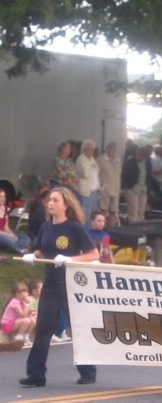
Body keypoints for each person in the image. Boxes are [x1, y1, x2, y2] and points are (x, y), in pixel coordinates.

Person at [19, 187, 99, 387]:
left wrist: (70, 259)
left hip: (70, 285)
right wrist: (33, 255)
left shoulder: (75, 227)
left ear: (66, 204)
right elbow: (40, 248)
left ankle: (88, 371)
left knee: (76, 328)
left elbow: (93, 254)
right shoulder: (46, 227)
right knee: (43, 329)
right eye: (50, 200)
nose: (50, 203)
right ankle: (36, 375)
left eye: (55, 200)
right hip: (51, 284)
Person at [121, 145, 153, 224]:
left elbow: (149, 176)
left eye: (144, 157)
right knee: (133, 212)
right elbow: (124, 175)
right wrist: (127, 186)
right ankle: (133, 231)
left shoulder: (148, 162)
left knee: (141, 212)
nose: (142, 158)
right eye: (141, 156)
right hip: (131, 189)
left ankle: (140, 229)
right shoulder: (130, 162)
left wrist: (148, 190)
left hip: (143, 189)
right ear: (137, 154)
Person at [75, 139, 101, 228]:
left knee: (93, 213)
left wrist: (91, 167)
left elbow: (97, 170)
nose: (92, 151)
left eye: (93, 149)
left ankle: (92, 232)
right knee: (85, 213)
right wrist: (91, 167)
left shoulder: (92, 159)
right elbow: (85, 174)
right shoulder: (81, 159)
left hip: (93, 190)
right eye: (90, 149)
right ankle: (84, 232)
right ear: (85, 149)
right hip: (85, 191)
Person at [97, 141, 122, 227]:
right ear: (106, 149)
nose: (112, 151)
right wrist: (100, 186)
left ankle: (112, 229)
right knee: (103, 210)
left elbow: (119, 173)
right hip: (105, 189)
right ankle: (101, 228)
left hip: (115, 189)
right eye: (110, 149)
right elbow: (96, 173)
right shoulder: (101, 159)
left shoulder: (118, 160)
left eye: (114, 149)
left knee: (113, 211)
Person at [0, 188, 30, 254]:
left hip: (5, 234)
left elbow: (6, 227)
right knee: (8, 240)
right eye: (1, 197)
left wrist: (12, 234)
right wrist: (8, 235)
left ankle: (10, 248)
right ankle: (19, 251)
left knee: (25, 238)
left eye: (4, 196)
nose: (3, 199)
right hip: (1, 235)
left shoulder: (5, 208)